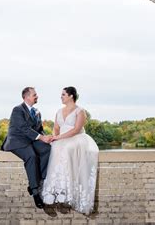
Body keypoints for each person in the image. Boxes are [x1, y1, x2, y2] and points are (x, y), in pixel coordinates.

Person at [41, 86, 99, 215]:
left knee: (67, 149)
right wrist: (55, 136)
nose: (61, 97)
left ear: (71, 96)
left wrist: (59, 137)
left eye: (63, 94)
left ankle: (67, 197)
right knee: (54, 149)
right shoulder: (59, 111)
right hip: (61, 138)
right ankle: (55, 196)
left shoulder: (80, 111)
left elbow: (76, 129)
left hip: (76, 139)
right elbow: (56, 128)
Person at [0, 87, 53, 209]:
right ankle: (35, 193)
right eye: (35, 95)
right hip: (17, 141)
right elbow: (23, 128)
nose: (37, 96)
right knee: (31, 156)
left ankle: (36, 182)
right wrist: (41, 137)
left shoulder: (37, 111)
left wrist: (46, 138)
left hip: (31, 140)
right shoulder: (18, 110)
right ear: (26, 97)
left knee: (47, 149)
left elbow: (39, 130)